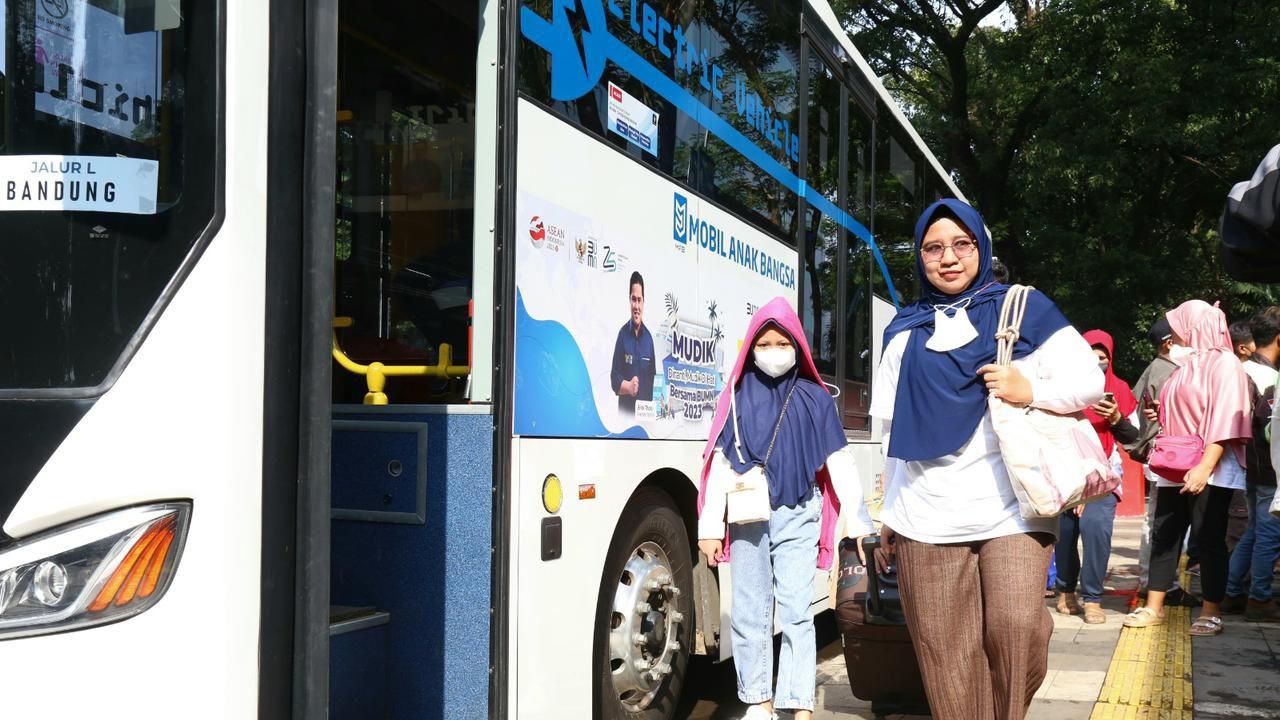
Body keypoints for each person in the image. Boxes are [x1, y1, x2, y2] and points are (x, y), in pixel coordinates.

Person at [870, 199, 1103, 720]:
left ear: (981, 245)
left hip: (1012, 507)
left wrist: (1030, 388)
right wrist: (884, 511)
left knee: (1018, 626)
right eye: (933, 248)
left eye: (961, 244)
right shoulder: (904, 330)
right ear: (919, 257)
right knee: (945, 656)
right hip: (924, 514)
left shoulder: (1023, 308)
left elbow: (1091, 382)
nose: (948, 257)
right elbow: (888, 435)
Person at [697, 298, 875, 720]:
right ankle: (757, 700)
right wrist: (709, 527)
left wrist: (859, 520)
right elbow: (721, 463)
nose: (774, 351)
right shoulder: (738, 397)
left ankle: (797, 703)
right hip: (747, 515)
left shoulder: (815, 398)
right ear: (751, 346)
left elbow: (840, 461)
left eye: (783, 342)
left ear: (797, 344)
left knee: (797, 610)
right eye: (766, 342)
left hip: (800, 510)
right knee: (748, 610)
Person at [1125, 300, 1252, 636]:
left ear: (1195, 325)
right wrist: (1159, 414)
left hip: (1210, 468)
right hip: (1176, 464)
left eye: (1180, 324)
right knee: (1165, 535)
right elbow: (1187, 410)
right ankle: (1154, 607)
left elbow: (1226, 418)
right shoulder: (1189, 363)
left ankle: (1211, 611)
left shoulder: (1225, 364)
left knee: (1208, 539)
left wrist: (1204, 468)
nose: (1176, 332)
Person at [1055, 330, 1139, 624]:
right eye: (1090, 356)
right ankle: (1065, 590)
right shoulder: (1064, 387)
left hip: (1105, 477)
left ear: (1110, 359)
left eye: (1102, 358)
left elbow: (1134, 438)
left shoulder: (1120, 389)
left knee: (1095, 530)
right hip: (1067, 473)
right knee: (1064, 534)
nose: (1096, 362)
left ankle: (1092, 597)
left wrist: (1116, 418)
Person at [1224, 306, 1280, 622]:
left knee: (1254, 532)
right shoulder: (1270, 377)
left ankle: (1232, 593)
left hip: (1247, 467)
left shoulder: (1240, 370)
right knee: (1269, 534)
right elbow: (1271, 428)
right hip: (1271, 468)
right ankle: (1259, 598)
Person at [1132, 317, 1187, 600]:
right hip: (1166, 456)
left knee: (1160, 522)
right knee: (1158, 523)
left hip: (1162, 454)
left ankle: (1158, 581)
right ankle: (1155, 583)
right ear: (1169, 343)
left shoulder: (1156, 368)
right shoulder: (1168, 372)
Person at [610, 271, 656, 414]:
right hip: (626, 422)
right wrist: (628, 387)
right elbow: (614, 378)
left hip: (645, 423)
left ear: (644, 302)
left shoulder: (649, 339)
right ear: (629, 300)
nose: (636, 306)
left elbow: (654, 380)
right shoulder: (622, 335)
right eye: (633, 299)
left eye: (639, 300)